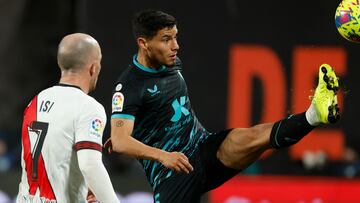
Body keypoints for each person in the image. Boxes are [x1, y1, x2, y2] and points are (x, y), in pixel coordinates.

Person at [106, 10, 340, 203]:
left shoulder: (171, 61)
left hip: (203, 149)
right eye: (166, 39)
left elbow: (144, 121)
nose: (175, 46)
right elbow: (120, 141)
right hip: (173, 174)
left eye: (176, 37)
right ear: (143, 43)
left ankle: (314, 114)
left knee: (255, 136)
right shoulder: (129, 86)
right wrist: (162, 155)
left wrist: (135, 128)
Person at [17, 33, 120, 203]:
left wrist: (82, 185)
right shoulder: (88, 107)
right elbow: (90, 165)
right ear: (94, 67)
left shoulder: (35, 102)